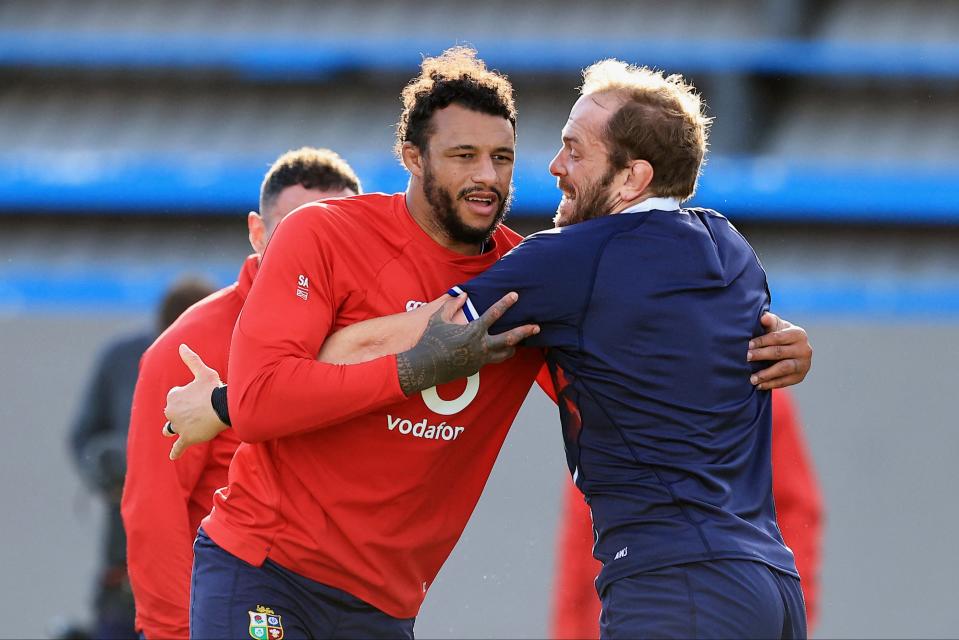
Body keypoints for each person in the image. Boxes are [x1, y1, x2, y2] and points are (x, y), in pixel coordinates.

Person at [163, 48, 812, 639]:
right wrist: (785, 344)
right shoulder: (725, 243)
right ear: (412, 159)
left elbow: (435, 336)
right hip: (268, 569)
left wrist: (227, 401)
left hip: (656, 584)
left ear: (630, 178)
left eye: (504, 157)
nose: (517, 173)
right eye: (463, 155)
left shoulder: (551, 270)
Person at [120, 147, 361, 640]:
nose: (318, 254)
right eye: (298, 233)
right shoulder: (190, 349)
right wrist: (175, 632)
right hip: (235, 610)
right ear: (258, 233)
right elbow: (154, 509)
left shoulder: (378, 334)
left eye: (338, 235)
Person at [549, 388, 825, 639]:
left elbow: (797, 511)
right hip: (635, 610)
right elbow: (582, 539)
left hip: (709, 605)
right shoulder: (607, 392)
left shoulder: (758, 388)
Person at [69, 276, 215, 640]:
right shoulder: (123, 359)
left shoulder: (229, 364)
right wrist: (110, 472)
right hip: (124, 558)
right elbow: (83, 436)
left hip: (210, 551)